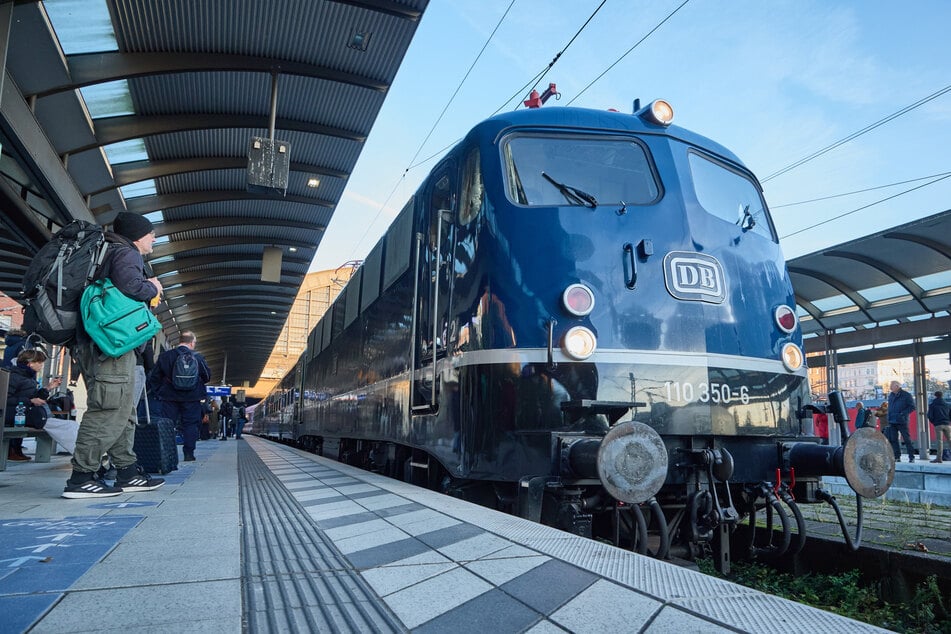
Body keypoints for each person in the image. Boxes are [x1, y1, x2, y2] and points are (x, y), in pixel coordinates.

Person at [64, 212, 166, 498]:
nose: (154, 238)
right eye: (151, 233)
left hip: (103, 345)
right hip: (110, 348)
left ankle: (127, 471)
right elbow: (133, 288)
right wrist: (153, 287)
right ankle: (81, 477)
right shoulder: (126, 254)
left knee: (123, 412)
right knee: (108, 410)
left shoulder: (108, 251)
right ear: (137, 235)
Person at [149, 330, 210, 461]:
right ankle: (189, 454)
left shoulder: (166, 356)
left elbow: (154, 377)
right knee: (190, 425)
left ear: (179, 341)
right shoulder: (198, 357)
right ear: (192, 343)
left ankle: (168, 455)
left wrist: (159, 391)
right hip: (192, 398)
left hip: (169, 397)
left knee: (168, 424)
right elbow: (207, 376)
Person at [5, 349, 62, 461]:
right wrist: (30, 401)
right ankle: (12, 449)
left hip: (21, 412)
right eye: (39, 362)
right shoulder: (14, 377)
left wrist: (48, 388)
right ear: (30, 363)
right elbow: (5, 399)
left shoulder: (28, 377)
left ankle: (16, 449)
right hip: (13, 413)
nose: (41, 365)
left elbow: (35, 396)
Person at [886, 380, 916, 463]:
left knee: (907, 439)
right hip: (892, 421)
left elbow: (912, 407)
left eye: (891, 386)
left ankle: (911, 457)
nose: (890, 387)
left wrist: (902, 414)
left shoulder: (906, 395)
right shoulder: (891, 395)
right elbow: (890, 407)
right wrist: (888, 417)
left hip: (902, 420)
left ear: (897, 386)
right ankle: (897, 457)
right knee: (894, 440)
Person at [926, 391, 951, 464]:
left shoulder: (932, 405)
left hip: (938, 425)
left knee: (939, 441)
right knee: (950, 440)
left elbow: (930, 416)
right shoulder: (947, 405)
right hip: (947, 425)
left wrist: (934, 422)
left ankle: (939, 458)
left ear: (935, 396)